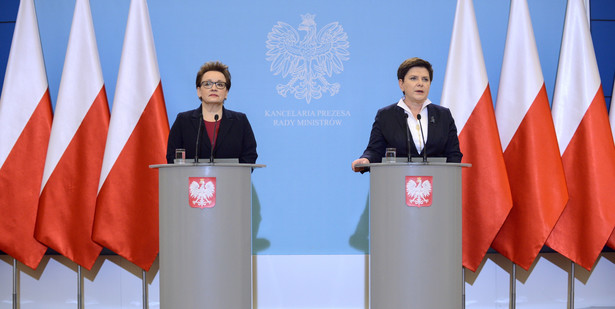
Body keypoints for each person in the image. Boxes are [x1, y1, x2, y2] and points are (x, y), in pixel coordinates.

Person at [351, 57, 462, 172]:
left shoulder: (443, 115)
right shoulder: (386, 116)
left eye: (425, 79)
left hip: (438, 184)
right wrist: (366, 160)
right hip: (395, 183)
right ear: (401, 84)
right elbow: (374, 151)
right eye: (413, 78)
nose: (420, 83)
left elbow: (453, 154)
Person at [166, 61, 257, 164]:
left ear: (226, 92)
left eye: (220, 84)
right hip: (191, 180)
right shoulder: (183, 121)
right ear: (199, 91)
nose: (214, 88)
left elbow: (249, 156)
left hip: (230, 180)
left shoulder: (240, 121)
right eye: (208, 84)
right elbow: (172, 157)